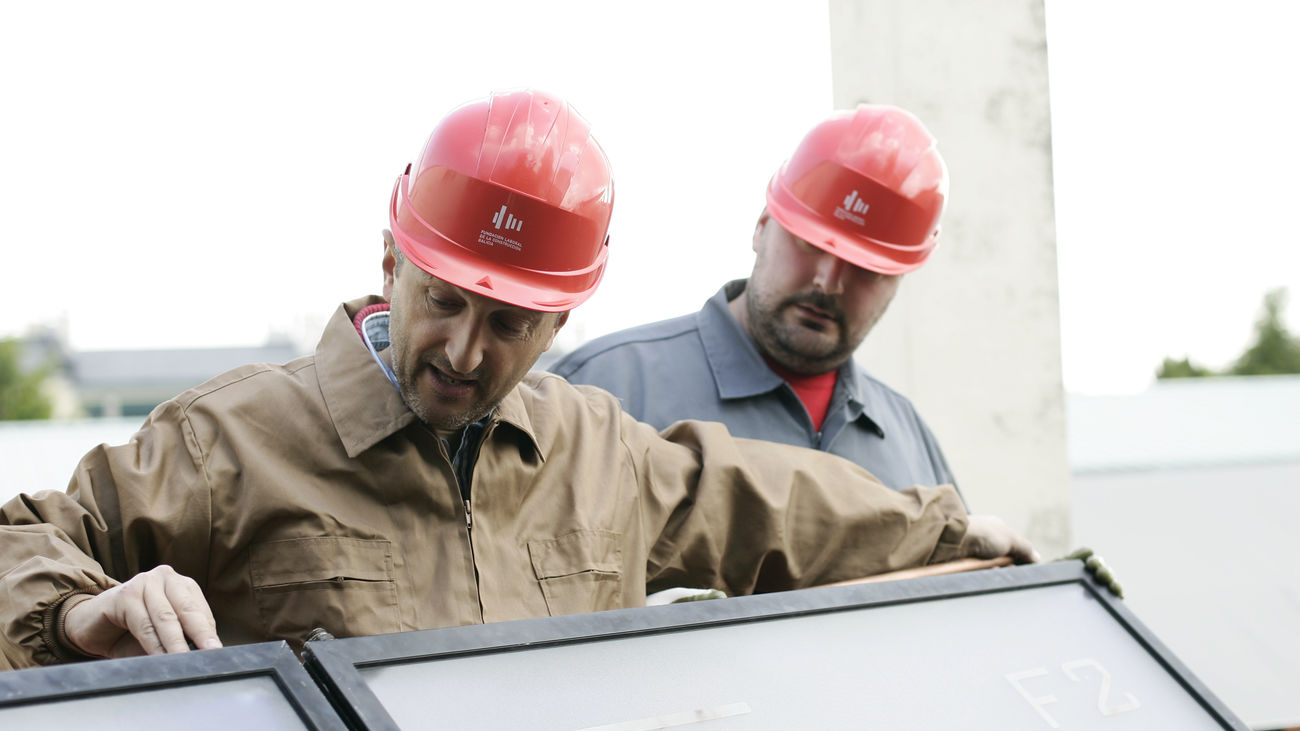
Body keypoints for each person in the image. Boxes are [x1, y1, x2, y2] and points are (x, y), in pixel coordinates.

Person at [0, 91, 1035, 670]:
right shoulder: (226, 440)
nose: (462, 349)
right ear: (392, 262)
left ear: (561, 318)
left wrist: (948, 532)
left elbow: (767, 502)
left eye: (507, 322)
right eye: (442, 299)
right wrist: (80, 611)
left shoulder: (600, 449)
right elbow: (16, 544)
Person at [552, 104, 955, 495]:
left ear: (899, 278)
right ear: (762, 227)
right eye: (809, 243)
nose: (828, 282)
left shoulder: (911, 443)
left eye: (865, 268)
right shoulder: (602, 390)